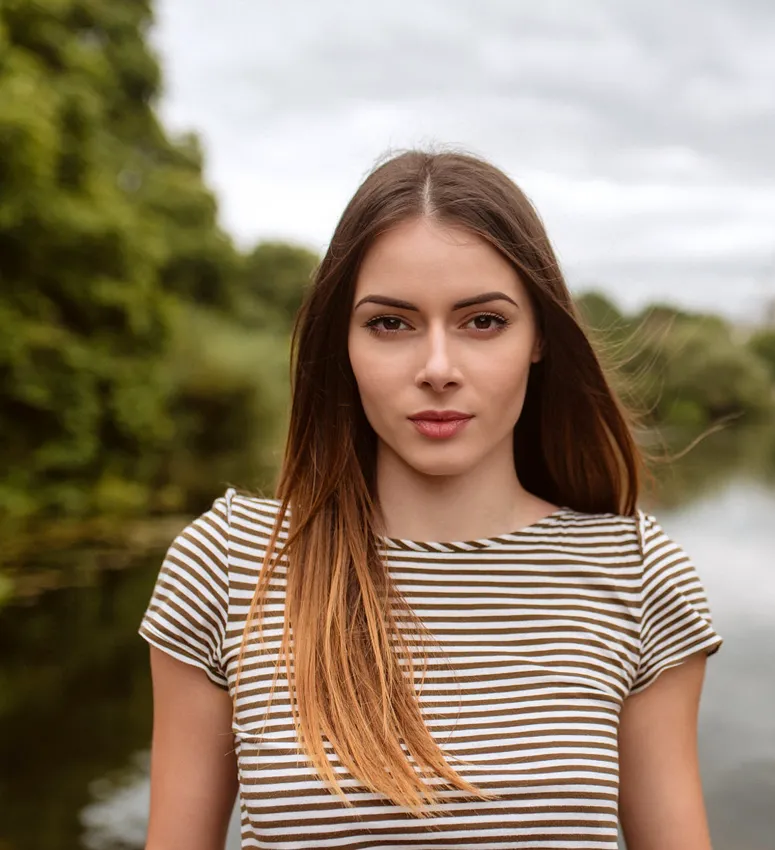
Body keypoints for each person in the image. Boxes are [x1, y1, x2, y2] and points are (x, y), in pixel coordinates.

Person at [137, 149, 724, 850]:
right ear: (342, 343)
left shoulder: (637, 572)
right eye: (391, 323)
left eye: (483, 322)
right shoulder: (229, 564)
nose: (438, 369)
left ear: (540, 337)